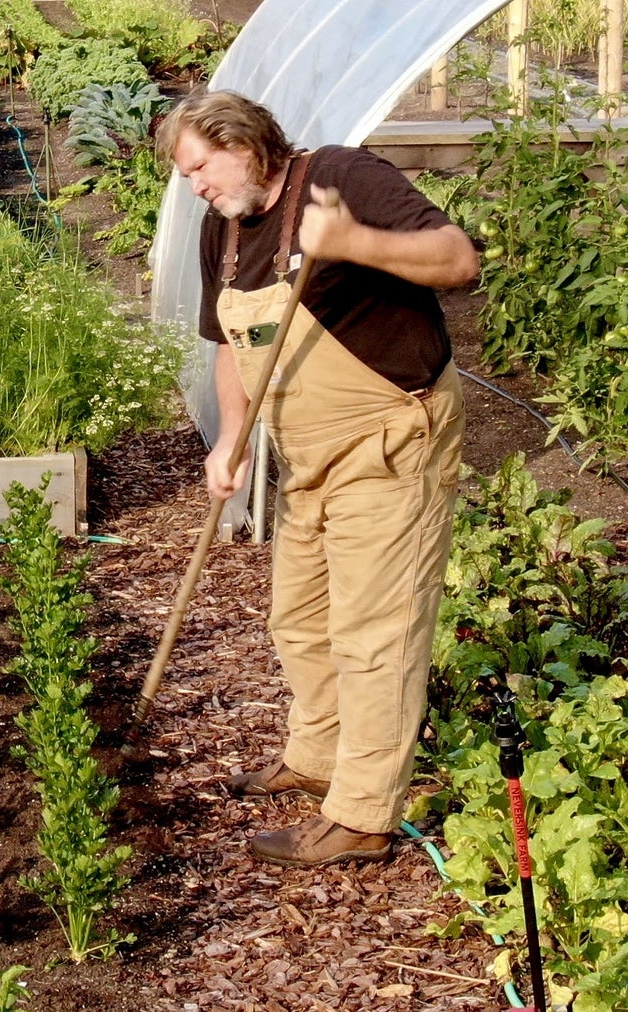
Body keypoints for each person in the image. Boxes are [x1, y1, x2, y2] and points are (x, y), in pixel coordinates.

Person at [156, 91, 479, 868]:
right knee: (298, 615)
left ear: (243, 143)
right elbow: (229, 343)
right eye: (187, 175)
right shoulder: (223, 232)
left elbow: (458, 261)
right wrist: (231, 438)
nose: (196, 185)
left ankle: (363, 813)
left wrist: (353, 240)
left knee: (376, 630)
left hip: (389, 438)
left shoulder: (338, 178)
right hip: (305, 450)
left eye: (200, 166)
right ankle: (318, 755)